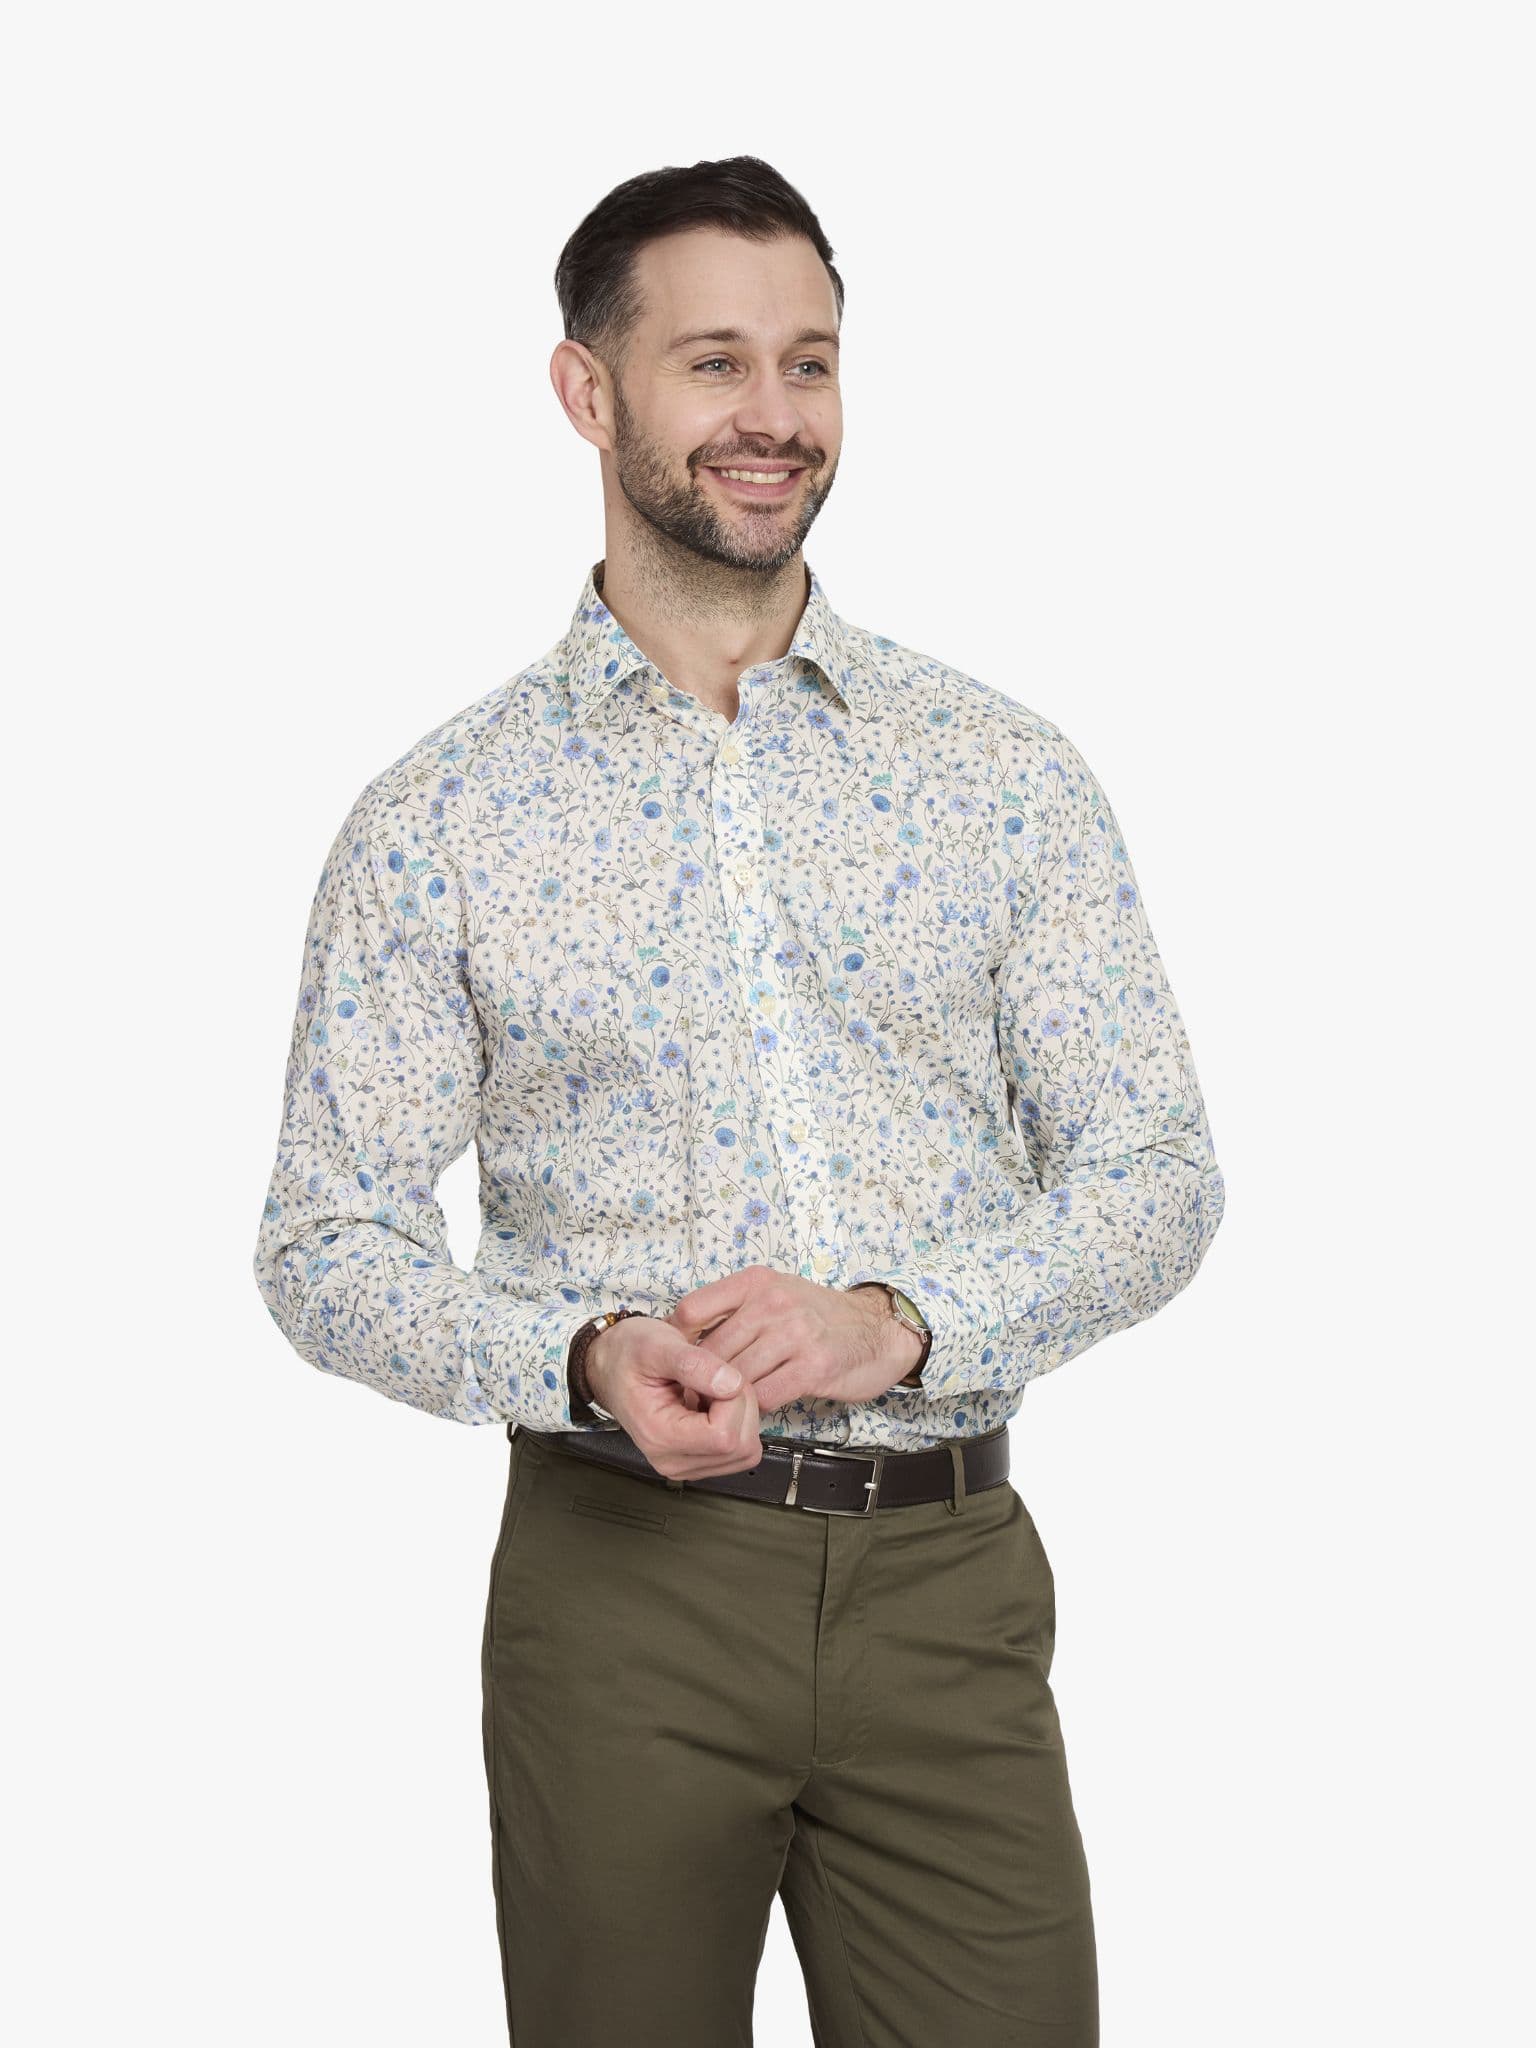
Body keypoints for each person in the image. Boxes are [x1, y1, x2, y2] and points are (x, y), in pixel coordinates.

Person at [251, 154, 1225, 2048]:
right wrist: (580, 1355)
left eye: (810, 362)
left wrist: (905, 1321)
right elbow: (325, 1239)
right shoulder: (442, 817)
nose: (773, 414)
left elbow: (1156, 1169)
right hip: (622, 1594)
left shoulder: (1004, 775)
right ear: (586, 390)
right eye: (714, 362)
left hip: (949, 1585)